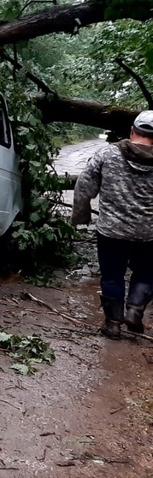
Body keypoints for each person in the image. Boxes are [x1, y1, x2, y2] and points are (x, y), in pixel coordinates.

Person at [72, 110, 153, 339]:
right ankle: (135, 310)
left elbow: (83, 187)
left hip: (111, 232)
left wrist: (81, 218)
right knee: (147, 274)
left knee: (112, 276)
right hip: (149, 234)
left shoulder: (107, 154)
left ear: (132, 131)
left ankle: (113, 324)